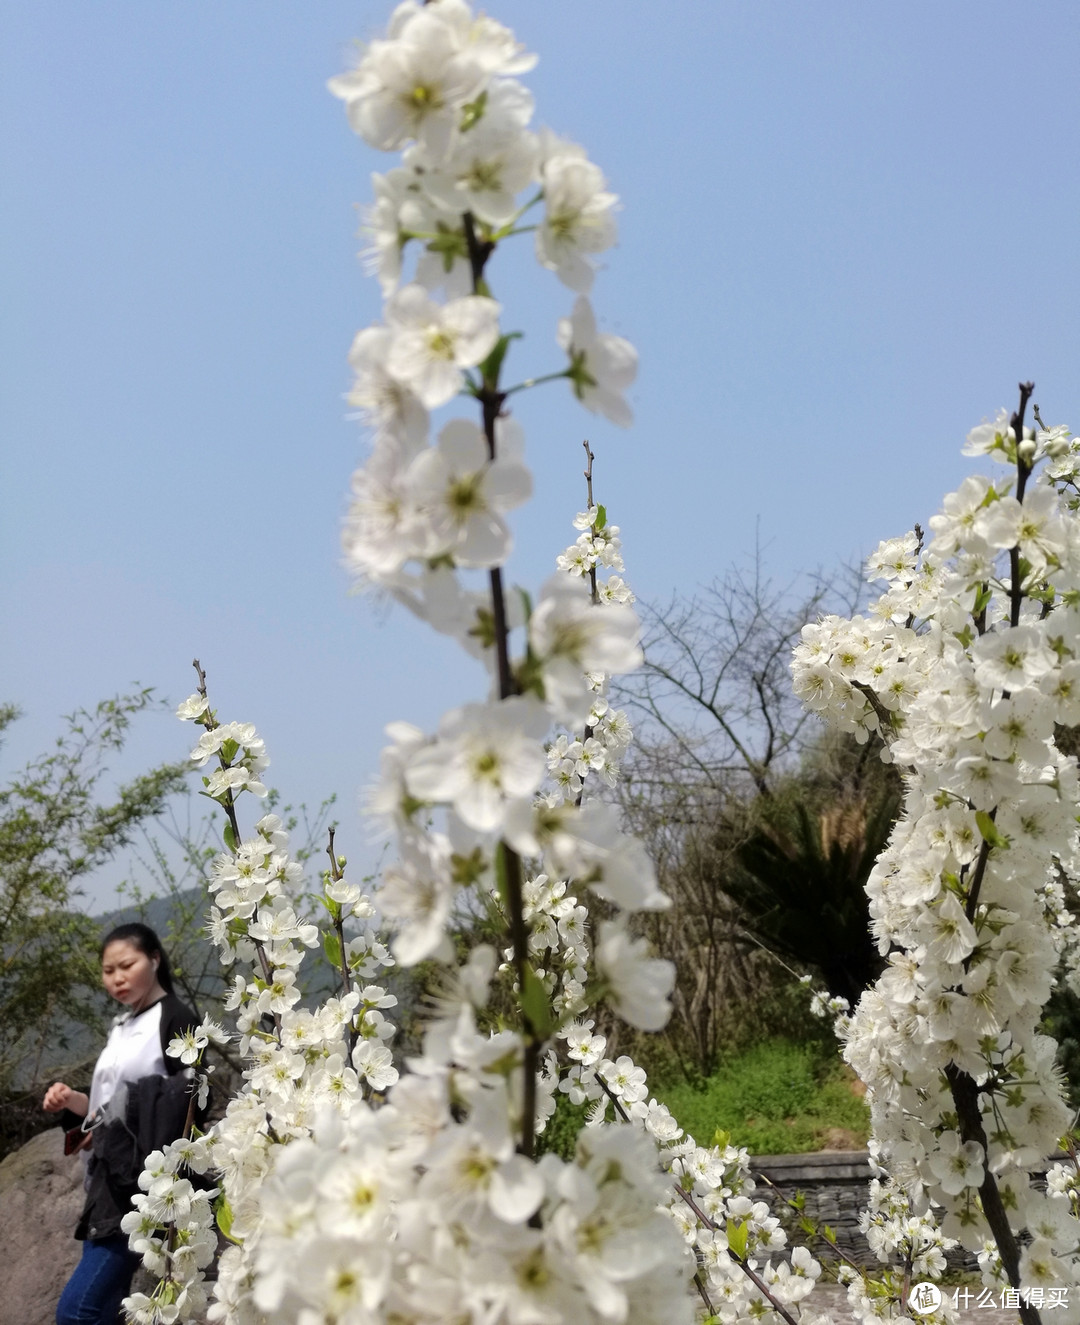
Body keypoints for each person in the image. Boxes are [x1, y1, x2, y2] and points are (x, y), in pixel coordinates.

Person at [43, 923, 199, 1325]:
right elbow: (106, 1106)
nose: (116, 978)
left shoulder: (175, 1017)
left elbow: (194, 1097)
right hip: (105, 1179)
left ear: (155, 959)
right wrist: (72, 1100)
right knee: (107, 1310)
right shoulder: (122, 1026)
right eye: (108, 970)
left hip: (141, 1184)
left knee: (77, 1312)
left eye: (126, 965)